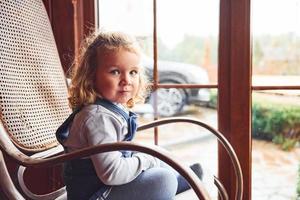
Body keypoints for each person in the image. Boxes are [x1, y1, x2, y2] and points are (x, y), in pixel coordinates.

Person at [56, 30, 203, 200]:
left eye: (133, 72)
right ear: (91, 76)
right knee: (163, 179)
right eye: (115, 72)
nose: (127, 80)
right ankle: (174, 183)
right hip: (96, 194)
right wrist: (146, 159)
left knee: (157, 155)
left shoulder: (109, 110)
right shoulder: (98, 118)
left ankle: (181, 180)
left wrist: (148, 156)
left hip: (107, 187)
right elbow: (112, 173)